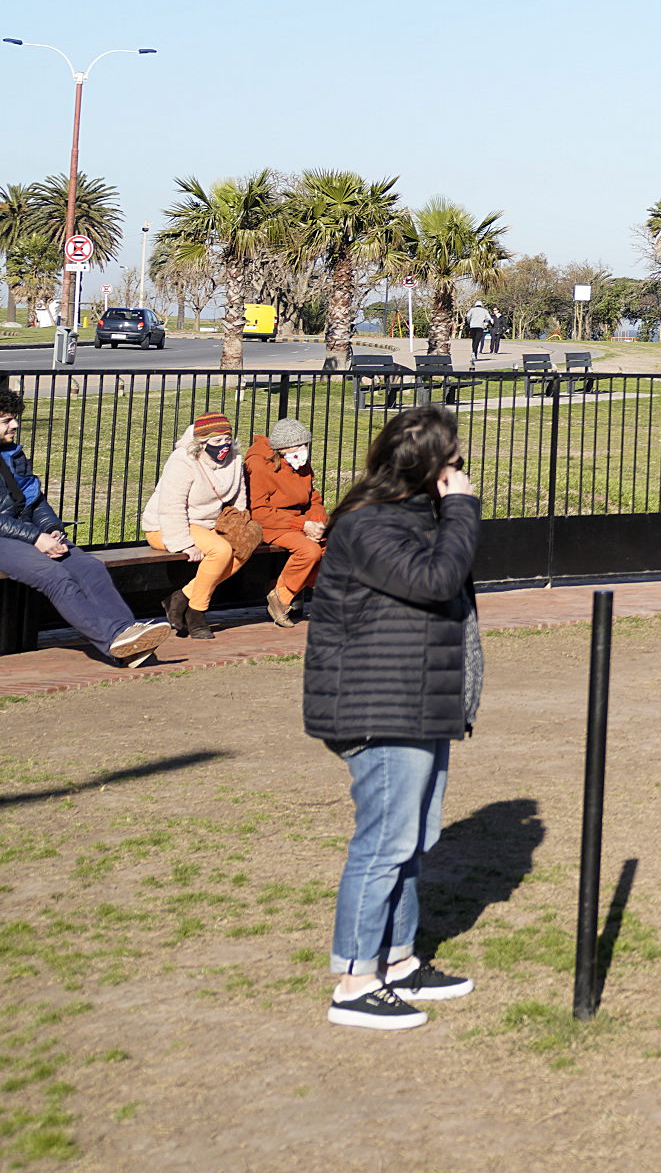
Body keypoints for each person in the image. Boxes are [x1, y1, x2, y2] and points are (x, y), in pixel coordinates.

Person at [303, 403, 481, 1032]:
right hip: (380, 707)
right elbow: (436, 582)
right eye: (454, 462)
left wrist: (447, 513)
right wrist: (460, 508)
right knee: (383, 844)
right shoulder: (367, 525)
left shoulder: (411, 520)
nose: (462, 471)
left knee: (413, 842)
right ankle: (355, 981)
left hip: (420, 702)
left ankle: (399, 962)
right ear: (427, 466)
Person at [0, 391, 173, 666]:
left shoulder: (13, 454)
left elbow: (33, 498)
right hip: (5, 538)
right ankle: (114, 639)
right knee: (54, 576)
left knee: (90, 568)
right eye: (7, 420)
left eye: (14, 419)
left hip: (25, 533)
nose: (15, 426)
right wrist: (36, 538)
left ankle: (127, 637)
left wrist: (51, 528)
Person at [142, 413, 250, 638]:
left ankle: (182, 596)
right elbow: (172, 506)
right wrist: (183, 543)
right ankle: (197, 613)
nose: (224, 445)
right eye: (216, 440)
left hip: (206, 524)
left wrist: (238, 525)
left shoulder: (234, 460)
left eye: (227, 439)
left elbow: (239, 497)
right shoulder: (183, 461)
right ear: (201, 442)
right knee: (220, 551)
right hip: (165, 526)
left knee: (244, 546)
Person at [246, 418, 327, 627]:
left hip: (299, 521)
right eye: (298, 445)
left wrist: (316, 521)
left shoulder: (300, 464)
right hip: (273, 524)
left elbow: (313, 498)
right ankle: (281, 597)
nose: (303, 449)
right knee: (310, 552)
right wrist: (302, 526)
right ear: (282, 448)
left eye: (305, 445)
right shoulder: (260, 466)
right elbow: (260, 512)